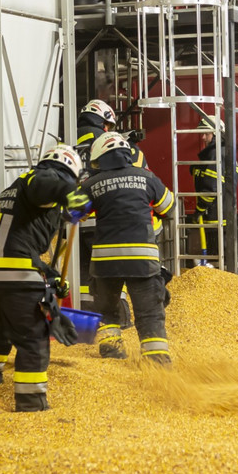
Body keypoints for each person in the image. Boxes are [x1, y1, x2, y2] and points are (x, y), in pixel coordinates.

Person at [0, 144, 90, 412]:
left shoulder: (12, 190)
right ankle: (31, 403)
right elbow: (47, 185)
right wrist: (71, 193)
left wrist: (48, 275)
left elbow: (17, 242)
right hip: (13, 271)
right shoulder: (43, 178)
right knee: (33, 337)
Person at [76, 132, 176, 365]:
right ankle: (157, 361)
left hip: (105, 262)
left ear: (100, 159)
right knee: (149, 312)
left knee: (106, 309)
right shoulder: (147, 177)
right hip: (142, 259)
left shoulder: (92, 184)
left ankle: (112, 353)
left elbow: (69, 213)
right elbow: (168, 207)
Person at [191, 114, 238, 268]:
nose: (203, 137)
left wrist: (199, 209)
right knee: (224, 253)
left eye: (206, 133)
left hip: (215, 213)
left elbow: (211, 186)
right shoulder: (222, 152)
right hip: (221, 212)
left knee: (219, 254)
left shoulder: (215, 154)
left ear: (217, 134)